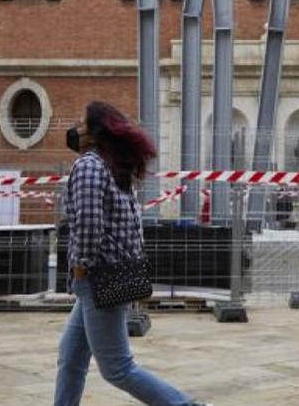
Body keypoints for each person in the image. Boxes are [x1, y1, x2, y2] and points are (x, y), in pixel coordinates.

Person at [55, 101, 208, 406]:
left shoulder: (89, 165)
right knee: (71, 357)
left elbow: (88, 223)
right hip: (117, 272)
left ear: (96, 132)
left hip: (100, 276)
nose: (75, 128)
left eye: (81, 122)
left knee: (118, 368)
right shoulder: (112, 167)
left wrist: (81, 268)